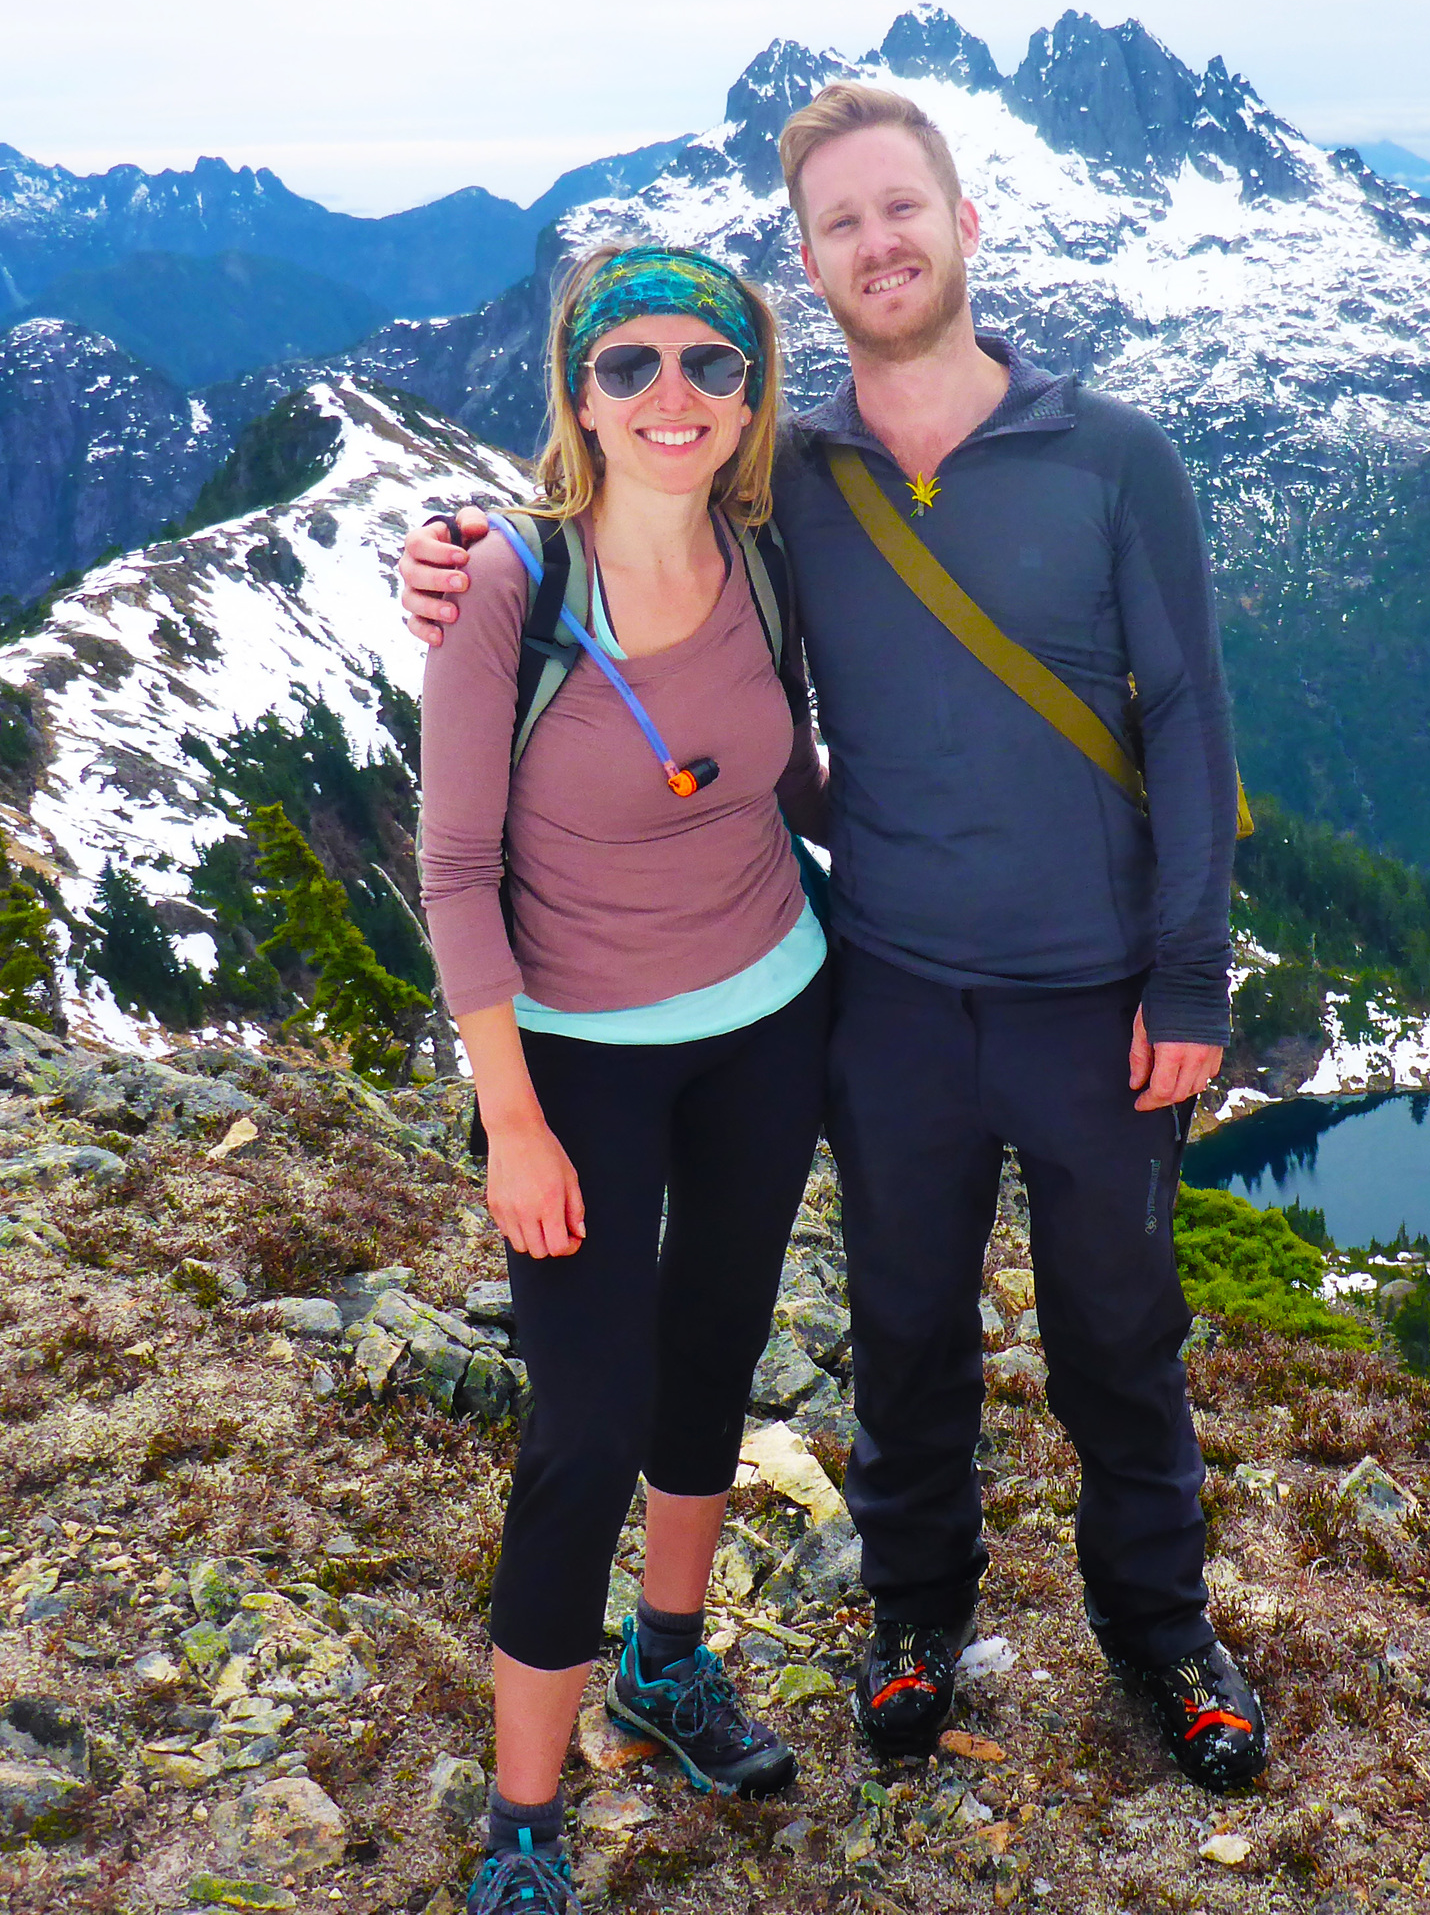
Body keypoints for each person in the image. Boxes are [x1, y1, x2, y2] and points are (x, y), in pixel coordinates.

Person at [400, 82, 1269, 1792]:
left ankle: (1161, 1627)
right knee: (905, 1323)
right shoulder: (789, 474)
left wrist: (1189, 970)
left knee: (1120, 1323)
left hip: (1097, 995)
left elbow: (1187, 716)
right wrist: (449, 561)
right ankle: (915, 1615)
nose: (881, 242)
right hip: (883, 987)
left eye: (904, 208)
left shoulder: (1112, 458)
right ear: (812, 263)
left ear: (962, 227)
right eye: (844, 224)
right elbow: (623, 509)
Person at [419, 242, 832, 1915]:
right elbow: (454, 874)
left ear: (753, 393)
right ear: (578, 395)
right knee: (582, 1426)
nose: (675, 396)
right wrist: (511, 1121)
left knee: (717, 1353)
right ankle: (525, 1813)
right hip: (578, 1064)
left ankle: (666, 1664)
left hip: (769, 1020)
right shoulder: (504, 588)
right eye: (631, 364)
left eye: (711, 364)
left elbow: (793, 779)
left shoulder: (768, 563)